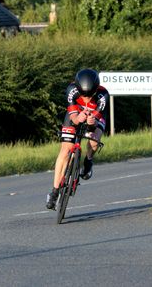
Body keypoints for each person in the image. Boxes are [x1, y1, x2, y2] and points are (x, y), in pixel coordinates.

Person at [46, 68, 109, 210]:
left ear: (96, 89)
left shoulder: (103, 95)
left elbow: (95, 122)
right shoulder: (72, 90)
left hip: (94, 116)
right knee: (65, 150)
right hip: (76, 113)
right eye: (83, 95)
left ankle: (88, 162)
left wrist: (91, 123)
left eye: (90, 95)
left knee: (93, 140)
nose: (86, 98)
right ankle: (55, 192)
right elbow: (73, 117)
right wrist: (77, 119)